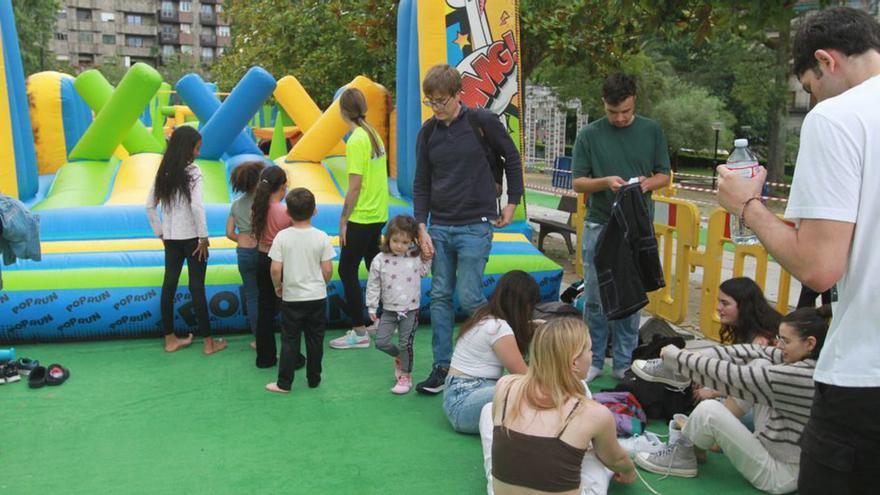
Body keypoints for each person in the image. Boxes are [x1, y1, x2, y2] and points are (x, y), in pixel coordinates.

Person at [716, 8, 880, 493]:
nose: (813, 99)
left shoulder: (839, 116)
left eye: (809, 87)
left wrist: (746, 206)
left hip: (864, 380)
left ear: (826, 62)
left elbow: (819, 266)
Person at [631, 306, 830, 494]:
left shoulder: (802, 376)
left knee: (709, 410)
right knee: (759, 363)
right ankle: (697, 446)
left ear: (810, 343)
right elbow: (749, 352)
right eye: (779, 339)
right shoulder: (808, 361)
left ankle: (685, 455)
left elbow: (733, 376)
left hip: (782, 474)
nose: (779, 346)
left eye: (785, 341)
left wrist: (677, 358)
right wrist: (687, 357)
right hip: (776, 449)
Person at [413, 64, 524, 395]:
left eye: (442, 100)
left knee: (471, 296)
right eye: (430, 101)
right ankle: (442, 365)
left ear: (458, 94)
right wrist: (422, 227)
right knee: (440, 295)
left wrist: (511, 202)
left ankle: (489, 363)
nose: (436, 107)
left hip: (476, 224)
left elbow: (512, 159)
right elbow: (422, 183)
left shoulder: (482, 122)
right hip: (441, 225)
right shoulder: (428, 133)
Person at [571, 73, 671, 382]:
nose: (620, 117)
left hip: (636, 228)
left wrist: (643, 185)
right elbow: (578, 182)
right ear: (604, 104)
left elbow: (664, 175)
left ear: (634, 102)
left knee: (632, 296)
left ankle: (625, 362)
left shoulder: (651, 130)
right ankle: (594, 358)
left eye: (626, 111)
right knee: (596, 296)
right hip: (600, 223)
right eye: (613, 112)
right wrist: (605, 182)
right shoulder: (589, 134)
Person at [489, 318, 636, 494]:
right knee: (596, 458)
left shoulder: (505, 385)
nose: (592, 354)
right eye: (589, 350)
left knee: (487, 413)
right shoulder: (595, 413)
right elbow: (616, 460)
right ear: (574, 362)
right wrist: (629, 470)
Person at [146, 126, 226, 355]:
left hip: (171, 238)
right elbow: (197, 206)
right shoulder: (192, 171)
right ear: (187, 148)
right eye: (197, 148)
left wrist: (161, 232)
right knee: (197, 287)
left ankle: (170, 339)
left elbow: (149, 206)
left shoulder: (164, 171)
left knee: (169, 285)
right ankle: (209, 343)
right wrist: (203, 236)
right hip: (192, 238)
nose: (199, 153)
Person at [442, 270, 539, 434]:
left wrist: (532, 326)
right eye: (531, 305)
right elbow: (525, 376)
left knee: (517, 387)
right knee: (522, 387)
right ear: (522, 304)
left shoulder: (485, 316)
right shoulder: (499, 328)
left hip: (459, 396)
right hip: (464, 405)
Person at [330, 87, 390, 350]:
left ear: (343, 111)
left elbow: (354, 186)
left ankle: (359, 331)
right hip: (378, 214)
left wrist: (344, 219)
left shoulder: (356, 139)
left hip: (363, 216)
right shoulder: (373, 133)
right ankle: (383, 319)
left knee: (346, 269)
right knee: (373, 265)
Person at [265, 188, 335, 393]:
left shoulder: (282, 237)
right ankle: (314, 378)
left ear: (287, 212)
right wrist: (321, 282)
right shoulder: (322, 237)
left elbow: (275, 269)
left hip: (292, 297)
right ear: (315, 211)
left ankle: (284, 383)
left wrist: (278, 286)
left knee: (289, 340)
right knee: (316, 339)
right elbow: (328, 269)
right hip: (316, 297)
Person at [365, 215, 431, 394]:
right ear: (388, 238)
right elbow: (373, 284)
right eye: (395, 241)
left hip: (410, 309)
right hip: (389, 309)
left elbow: (424, 272)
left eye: (405, 242)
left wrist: (427, 257)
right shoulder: (380, 259)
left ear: (411, 241)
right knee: (381, 342)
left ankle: (405, 376)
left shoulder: (414, 257)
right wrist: (371, 306)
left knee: (406, 344)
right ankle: (399, 358)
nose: (399, 245)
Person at [695, 277, 781, 404]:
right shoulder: (749, 327)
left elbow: (751, 384)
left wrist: (713, 392)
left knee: (709, 405)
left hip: (765, 405)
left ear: (744, 306)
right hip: (756, 398)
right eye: (719, 301)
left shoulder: (762, 340)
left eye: (725, 303)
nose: (718, 308)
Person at [251, 166, 292, 368]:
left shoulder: (259, 206)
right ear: (283, 187)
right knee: (289, 311)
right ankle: (291, 356)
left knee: (265, 309)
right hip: (279, 261)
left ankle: (264, 357)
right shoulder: (284, 211)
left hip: (261, 257)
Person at [226, 161, 266, 348]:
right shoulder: (264, 202)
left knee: (252, 296)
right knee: (267, 294)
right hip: (262, 250)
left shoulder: (236, 205)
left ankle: (259, 339)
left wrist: (242, 239)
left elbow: (229, 232)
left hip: (243, 251)